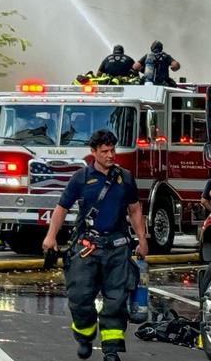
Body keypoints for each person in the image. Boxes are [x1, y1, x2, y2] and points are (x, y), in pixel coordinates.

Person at [42, 130, 149, 361]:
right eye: (105, 152)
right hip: (86, 247)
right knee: (80, 297)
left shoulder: (126, 178)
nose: (111, 155)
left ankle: (111, 350)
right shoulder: (81, 178)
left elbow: (135, 209)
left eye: (113, 150)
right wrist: (51, 237)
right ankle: (84, 335)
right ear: (93, 153)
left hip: (118, 247)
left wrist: (142, 240)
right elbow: (61, 208)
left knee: (116, 300)